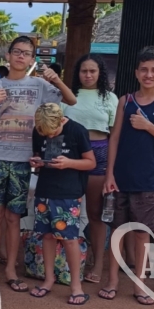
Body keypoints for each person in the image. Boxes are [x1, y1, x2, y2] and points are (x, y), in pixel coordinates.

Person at [0, 35, 75, 293]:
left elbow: (70, 100)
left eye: (26, 53)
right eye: (16, 51)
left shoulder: (39, 85)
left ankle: (11, 269)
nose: (20, 56)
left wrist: (55, 79)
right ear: (8, 55)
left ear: (33, 59)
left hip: (24, 158)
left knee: (13, 218)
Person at [101, 46, 154, 305]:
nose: (149, 74)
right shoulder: (125, 100)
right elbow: (114, 138)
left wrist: (148, 126)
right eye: (145, 69)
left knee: (141, 233)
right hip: (121, 177)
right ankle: (113, 280)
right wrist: (109, 174)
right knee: (117, 231)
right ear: (137, 72)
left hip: (148, 180)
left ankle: (139, 284)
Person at [29, 103, 95, 305]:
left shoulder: (76, 130)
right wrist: (37, 161)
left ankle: (76, 286)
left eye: (53, 132)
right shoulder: (39, 130)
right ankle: (49, 279)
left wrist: (69, 163)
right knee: (47, 235)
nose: (48, 137)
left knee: (69, 239)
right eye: (44, 134)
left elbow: (90, 162)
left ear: (61, 120)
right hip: (45, 190)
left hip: (68, 193)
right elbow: (40, 155)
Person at [61, 54, 117, 284]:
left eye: (92, 71)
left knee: (95, 213)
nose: (88, 75)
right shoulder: (67, 95)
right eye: (84, 71)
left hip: (100, 153)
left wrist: (112, 170)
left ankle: (98, 262)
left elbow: (114, 135)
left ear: (100, 73)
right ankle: (67, 260)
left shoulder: (110, 97)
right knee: (68, 211)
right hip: (71, 155)